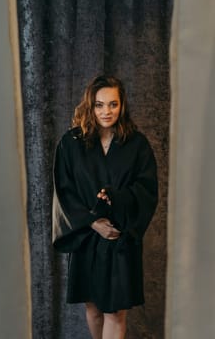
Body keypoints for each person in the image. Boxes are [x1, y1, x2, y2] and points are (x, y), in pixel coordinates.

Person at [52, 75, 158, 339]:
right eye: (99, 105)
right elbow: (64, 190)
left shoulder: (136, 144)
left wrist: (117, 199)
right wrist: (92, 222)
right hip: (88, 236)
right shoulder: (71, 143)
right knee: (94, 307)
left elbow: (147, 191)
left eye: (113, 104)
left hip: (119, 237)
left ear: (122, 106)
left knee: (116, 312)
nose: (106, 111)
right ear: (90, 105)